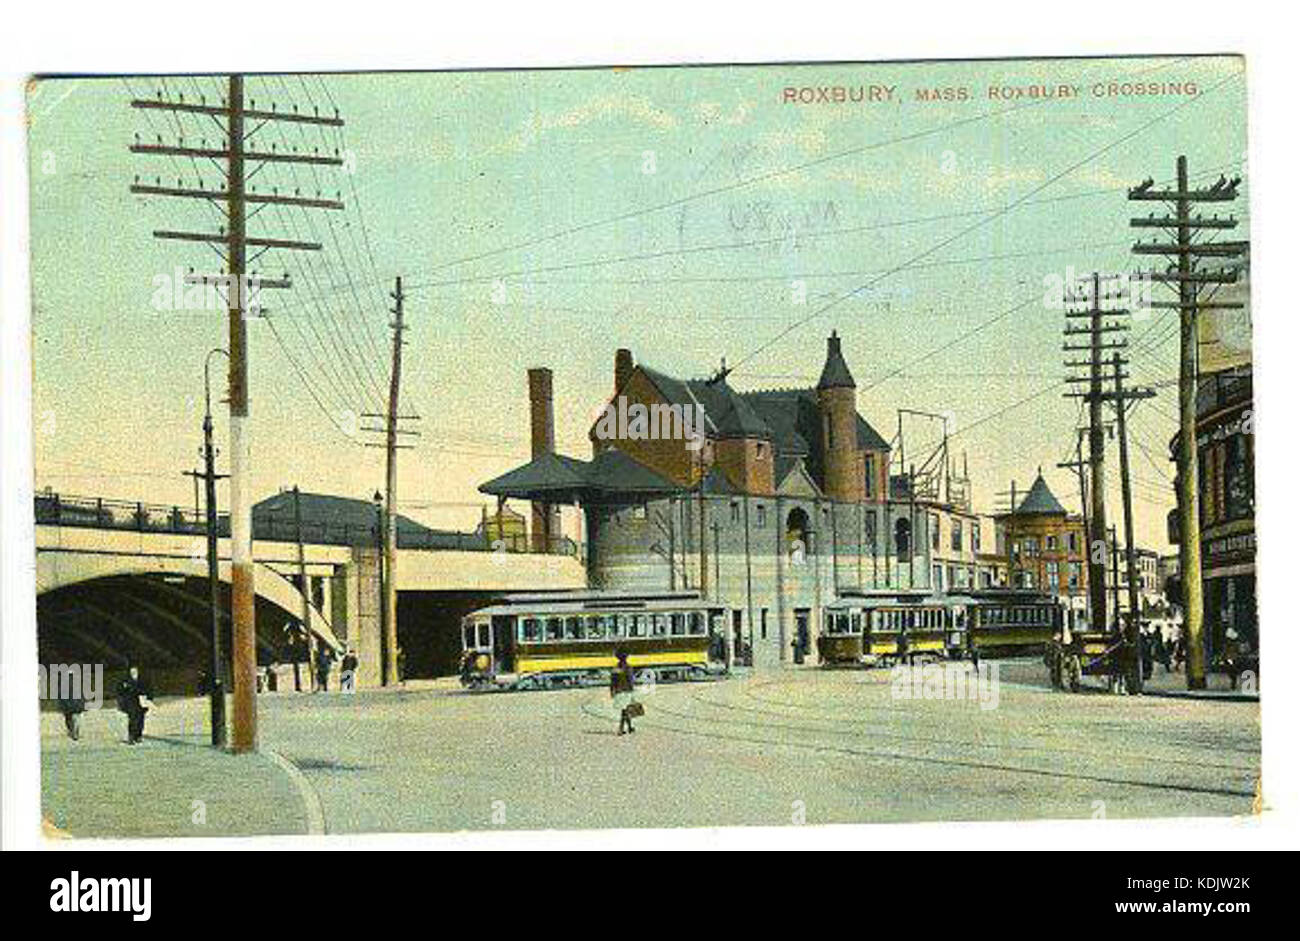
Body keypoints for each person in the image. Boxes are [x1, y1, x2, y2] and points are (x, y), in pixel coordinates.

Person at [116, 666, 152, 745]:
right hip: (130, 702)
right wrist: (121, 702)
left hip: (141, 702)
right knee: (133, 718)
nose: (134, 672)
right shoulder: (125, 680)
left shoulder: (143, 680)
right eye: (132, 671)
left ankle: (138, 735)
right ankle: (132, 736)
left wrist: (148, 699)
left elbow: (148, 690)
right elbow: (120, 691)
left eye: (135, 671)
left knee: (140, 718)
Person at [610, 650, 637, 735]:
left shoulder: (615, 668)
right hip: (626, 690)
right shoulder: (628, 668)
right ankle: (621, 729)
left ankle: (629, 727)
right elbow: (630, 680)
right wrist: (633, 691)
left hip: (618, 690)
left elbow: (612, 681)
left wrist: (612, 691)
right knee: (625, 710)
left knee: (624, 709)